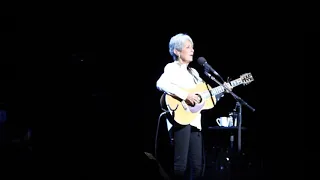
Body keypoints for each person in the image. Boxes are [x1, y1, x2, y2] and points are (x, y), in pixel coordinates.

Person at [156, 33, 232, 180]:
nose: (192, 50)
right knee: (180, 166)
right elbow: (161, 84)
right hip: (180, 119)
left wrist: (223, 91)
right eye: (188, 47)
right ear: (177, 51)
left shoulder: (194, 73)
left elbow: (206, 97)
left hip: (195, 121)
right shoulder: (172, 68)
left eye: (193, 47)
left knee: (197, 167)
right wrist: (186, 96)